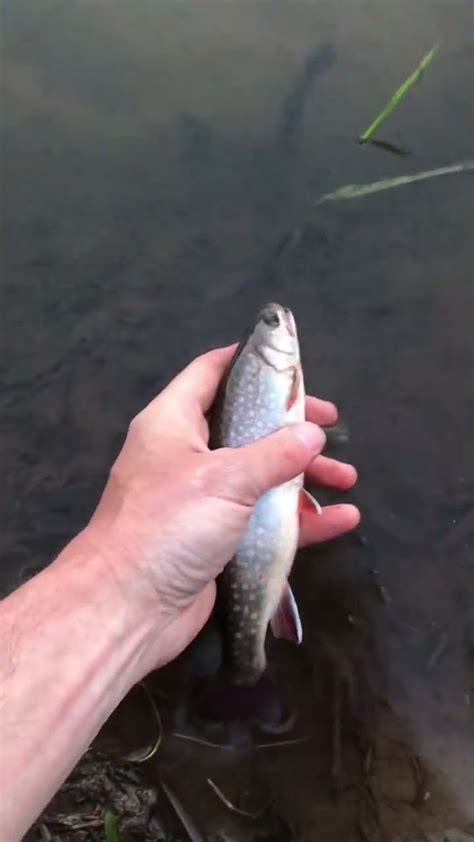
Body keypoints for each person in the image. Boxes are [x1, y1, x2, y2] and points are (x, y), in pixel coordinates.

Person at [0, 344, 359, 840]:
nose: (280, 327)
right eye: (272, 328)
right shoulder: (285, 392)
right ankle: (245, 675)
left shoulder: (267, 381)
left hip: (249, 535)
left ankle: (240, 677)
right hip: (253, 531)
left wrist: (124, 577)